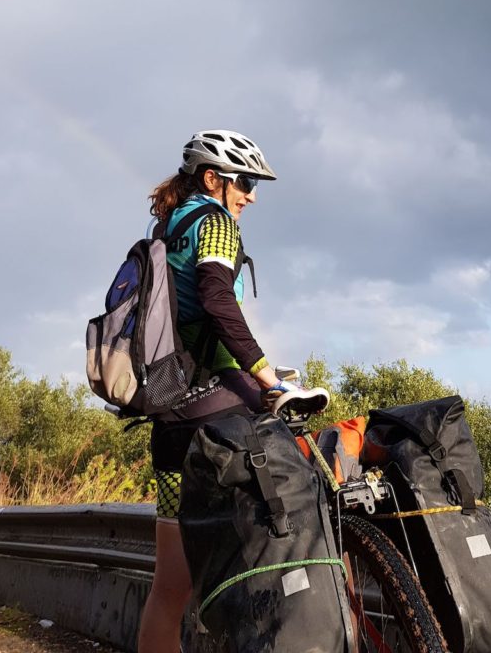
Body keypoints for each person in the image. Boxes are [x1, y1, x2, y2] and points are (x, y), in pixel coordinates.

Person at [136, 129, 327, 653]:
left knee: (170, 589)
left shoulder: (169, 225)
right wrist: (269, 381)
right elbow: (219, 301)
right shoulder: (215, 223)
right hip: (218, 414)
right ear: (213, 179)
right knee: (310, 498)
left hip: (172, 415)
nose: (252, 195)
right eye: (245, 181)